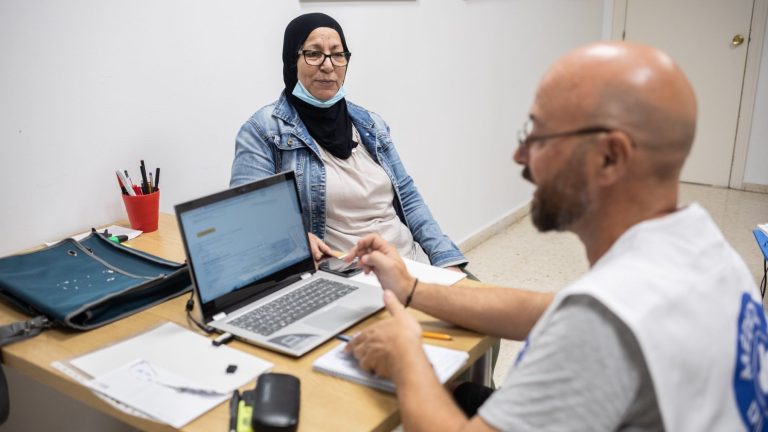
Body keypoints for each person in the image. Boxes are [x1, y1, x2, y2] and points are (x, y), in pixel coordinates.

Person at [343, 41, 767, 431]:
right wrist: (412, 288)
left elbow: (583, 324)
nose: (520, 155)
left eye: (539, 135)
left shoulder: (603, 323)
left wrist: (406, 358)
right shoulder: (705, 250)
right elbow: (552, 311)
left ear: (609, 156)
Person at [230, 13, 466, 270]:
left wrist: (446, 260)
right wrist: (296, 240)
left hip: (409, 263)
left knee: (477, 304)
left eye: (337, 54)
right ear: (291, 61)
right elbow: (248, 216)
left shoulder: (370, 124)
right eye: (314, 53)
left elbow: (408, 198)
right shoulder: (262, 131)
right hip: (348, 276)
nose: (328, 66)